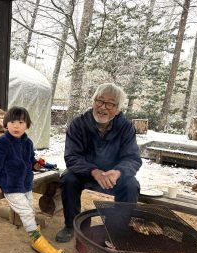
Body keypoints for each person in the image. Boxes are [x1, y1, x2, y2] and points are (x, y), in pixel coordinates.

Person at [55, 83, 142, 243]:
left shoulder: (125, 127)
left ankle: (117, 231)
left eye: (110, 104)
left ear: (118, 109)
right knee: (68, 178)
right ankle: (70, 226)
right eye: (99, 101)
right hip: (86, 173)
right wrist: (94, 171)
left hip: (112, 176)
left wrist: (117, 172)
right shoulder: (78, 124)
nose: (103, 107)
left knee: (131, 186)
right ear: (93, 102)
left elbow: (133, 158)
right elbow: (72, 157)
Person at [0, 106, 65, 253]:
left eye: (21, 122)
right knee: (27, 213)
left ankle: (29, 227)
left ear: (27, 125)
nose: (16, 126)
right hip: (10, 184)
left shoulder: (27, 142)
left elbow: (30, 161)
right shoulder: (1, 143)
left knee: (28, 207)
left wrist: (36, 165)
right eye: (12, 122)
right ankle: (37, 241)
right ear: (6, 124)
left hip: (25, 183)